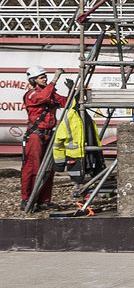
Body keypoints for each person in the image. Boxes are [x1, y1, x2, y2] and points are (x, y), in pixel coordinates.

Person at [20, 66, 66, 210]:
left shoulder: (50, 92)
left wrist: (77, 91)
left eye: (45, 76)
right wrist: (55, 79)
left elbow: (65, 102)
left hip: (49, 134)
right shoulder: (31, 95)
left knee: (48, 169)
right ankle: (28, 199)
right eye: (41, 77)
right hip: (35, 136)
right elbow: (43, 97)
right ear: (33, 80)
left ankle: (44, 201)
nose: (45, 79)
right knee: (33, 168)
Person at [53, 79, 103, 185]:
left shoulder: (81, 116)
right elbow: (58, 142)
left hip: (81, 154)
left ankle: (83, 193)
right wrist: (59, 164)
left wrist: (59, 164)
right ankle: (82, 194)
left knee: (83, 179)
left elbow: (58, 142)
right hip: (76, 156)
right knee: (80, 181)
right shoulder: (72, 117)